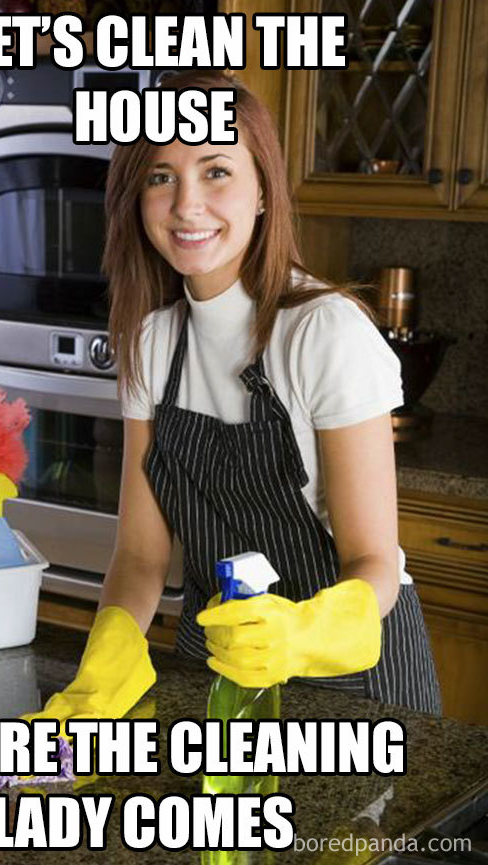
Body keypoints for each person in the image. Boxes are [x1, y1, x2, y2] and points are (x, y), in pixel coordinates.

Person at [28, 70, 441, 732]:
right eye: (160, 175)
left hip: (354, 683)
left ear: (261, 191)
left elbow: (375, 561)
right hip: (213, 673)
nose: (186, 204)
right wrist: (100, 670)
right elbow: (139, 555)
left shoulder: (323, 331)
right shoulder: (152, 342)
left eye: (215, 170)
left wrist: (304, 634)